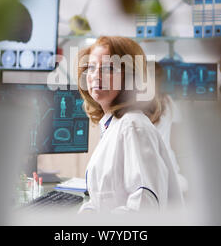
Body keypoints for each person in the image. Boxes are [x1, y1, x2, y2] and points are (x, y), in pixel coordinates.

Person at [77, 36, 184, 213]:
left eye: (109, 68)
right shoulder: (114, 125)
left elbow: (144, 207)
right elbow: (102, 199)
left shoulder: (133, 126)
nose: (96, 75)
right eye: (91, 67)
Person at [152, 61, 188, 193]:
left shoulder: (132, 106)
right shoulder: (168, 102)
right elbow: (177, 144)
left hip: (151, 175)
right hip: (170, 173)